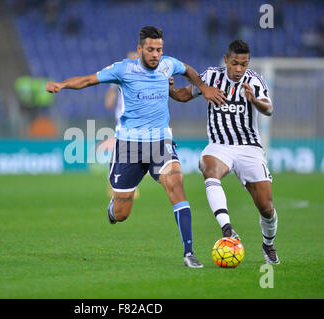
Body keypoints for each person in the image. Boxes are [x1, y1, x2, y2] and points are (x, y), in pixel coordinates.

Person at [46, 26, 226, 268]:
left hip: (160, 142)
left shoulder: (168, 64)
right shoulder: (123, 69)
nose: (155, 54)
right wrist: (62, 85)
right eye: (150, 49)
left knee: (176, 185)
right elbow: (88, 80)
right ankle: (114, 208)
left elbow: (189, 71)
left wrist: (203, 87)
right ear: (140, 49)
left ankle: (189, 252)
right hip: (129, 147)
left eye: (159, 49)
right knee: (122, 214)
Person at [169, 40, 280, 264]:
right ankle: (228, 230)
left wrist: (255, 101)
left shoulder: (255, 81)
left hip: (249, 148)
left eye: (244, 64)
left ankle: (268, 245)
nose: (239, 69)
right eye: (235, 63)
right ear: (225, 60)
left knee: (266, 208)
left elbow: (268, 109)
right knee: (209, 168)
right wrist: (168, 89)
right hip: (219, 145)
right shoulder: (210, 77)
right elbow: (183, 95)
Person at [103, 51, 140, 199]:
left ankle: (125, 185)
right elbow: (112, 91)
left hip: (137, 120)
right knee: (121, 153)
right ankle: (116, 184)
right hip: (123, 120)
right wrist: (110, 99)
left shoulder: (142, 77)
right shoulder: (122, 74)